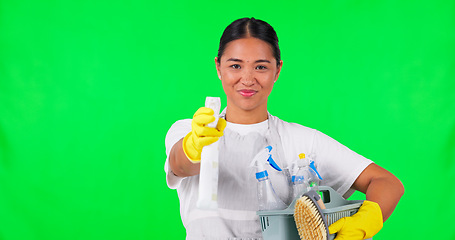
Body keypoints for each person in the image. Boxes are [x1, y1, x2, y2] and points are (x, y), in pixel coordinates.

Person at [165, 17, 404, 240]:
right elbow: (180, 164)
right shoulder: (189, 130)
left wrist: (363, 224)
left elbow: (387, 183)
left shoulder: (302, 142)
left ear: (277, 70)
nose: (247, 79)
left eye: (260, 67)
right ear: (218, 68)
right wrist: (195, 144)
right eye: (235, 66)